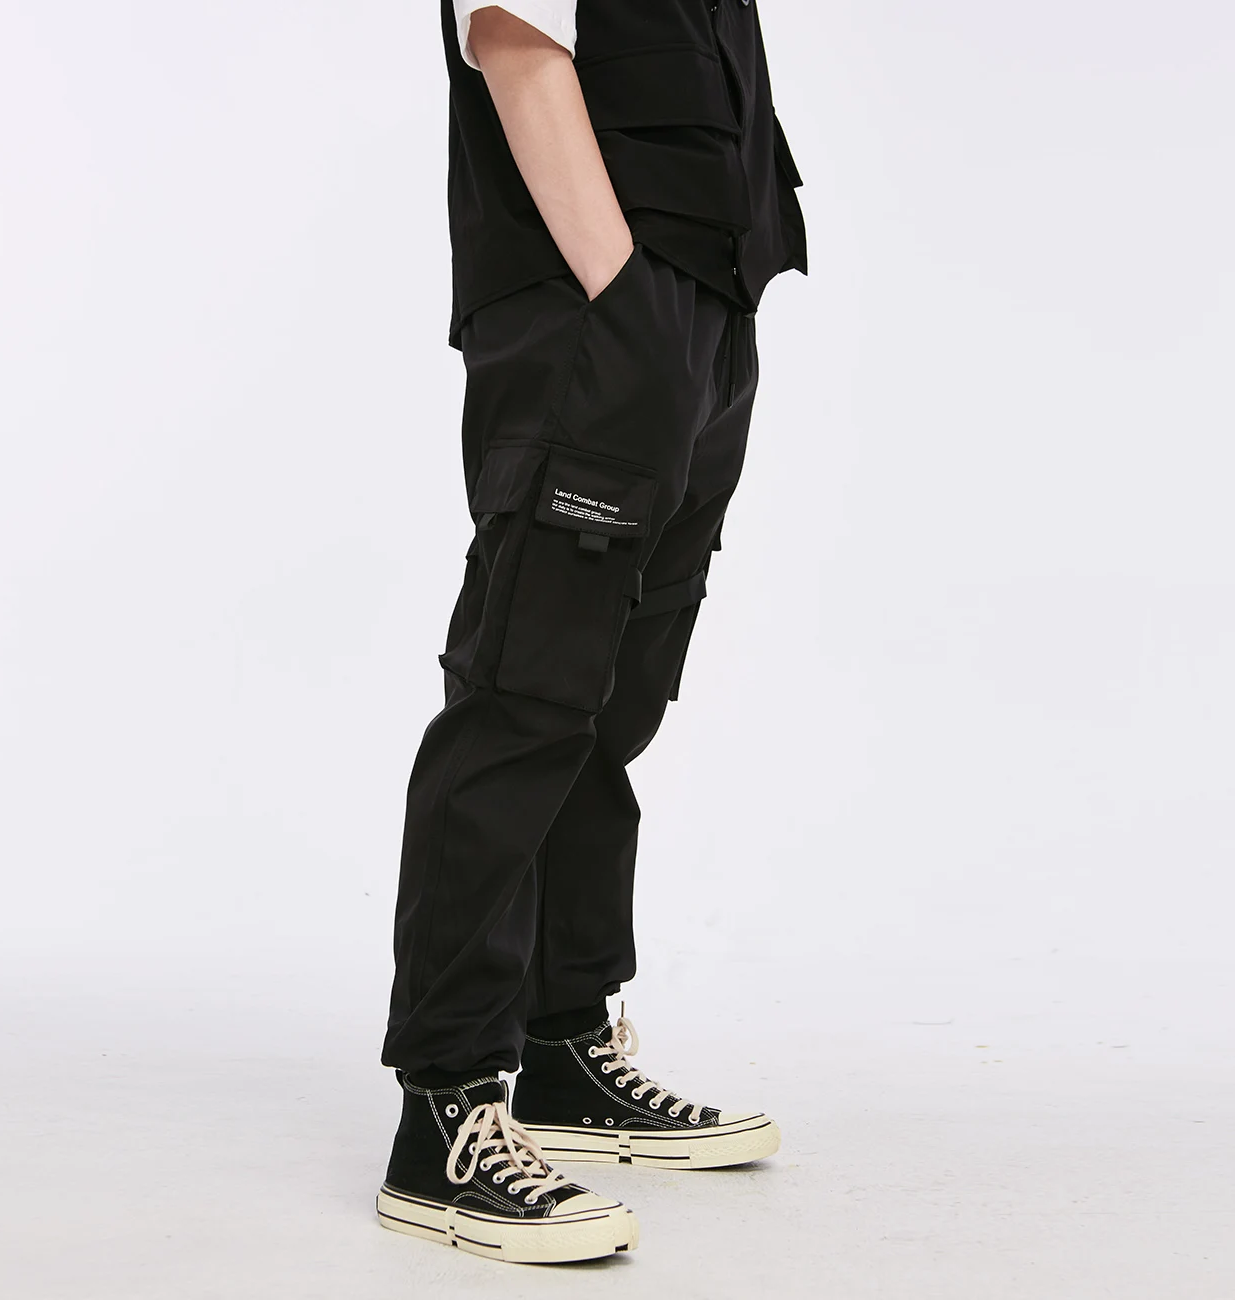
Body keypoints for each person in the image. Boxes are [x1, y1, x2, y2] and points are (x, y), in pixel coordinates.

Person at [375, 0, 806, 1263]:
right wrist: (626, 304)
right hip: (596, 318)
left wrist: (695, 330)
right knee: (523, 698)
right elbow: (516, 42)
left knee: (610, 705)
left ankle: (561, 1045)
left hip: (699, 318)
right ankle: (445, 1109)